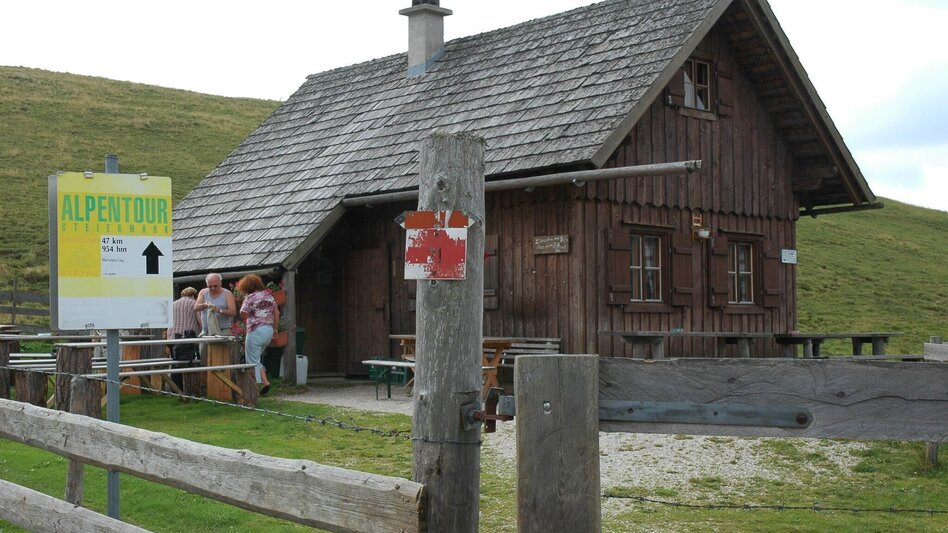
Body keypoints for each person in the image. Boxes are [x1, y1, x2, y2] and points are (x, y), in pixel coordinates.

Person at [237, 274, 277, 396]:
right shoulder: (269, 296)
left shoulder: (250, 297)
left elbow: (243, 314)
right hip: (268, 331)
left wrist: (247, 309)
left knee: (252, 361)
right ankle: (262, 382)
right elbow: (276, 312)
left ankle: (262, 384)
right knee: (257, 359)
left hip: (255, 331)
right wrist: (275, 329)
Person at [194, 273, 237, 364]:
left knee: (222, 359)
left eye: (215, 286)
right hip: (206, 332)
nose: (213, 288)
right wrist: (205, 305)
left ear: (220, 283)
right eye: (210, 286)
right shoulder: (203, 292)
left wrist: (219, 310)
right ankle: (205, 376)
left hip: (223, 331)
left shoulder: (227, 294)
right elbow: (196, 307)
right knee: (204, 359)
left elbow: (233, 312)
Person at [167, 287, 201, 388]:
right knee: (188, 362)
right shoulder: (195, 304)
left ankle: (175, 389)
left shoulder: (173, 304)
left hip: (172, 337)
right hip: (187, 338)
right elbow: (200, 321)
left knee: (175, 362)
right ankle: (188, 388)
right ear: (194, 295)